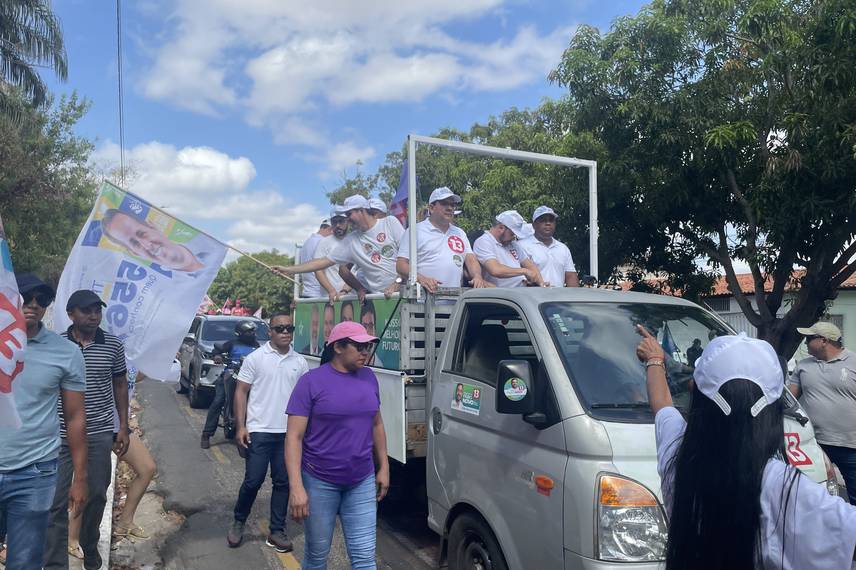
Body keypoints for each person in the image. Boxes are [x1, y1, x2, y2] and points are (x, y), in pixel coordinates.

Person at [636, 327, 856, 569]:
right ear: (773, 410)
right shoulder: (777, 483)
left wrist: (655, 359)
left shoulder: (678, 456)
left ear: (697, 395)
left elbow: (663, 406)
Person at [286, 322, 390, 569]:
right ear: (338, 347)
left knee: (364, 557)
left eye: (368, 345)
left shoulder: (369, 378)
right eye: (359, 346)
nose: (366, 351)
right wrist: (297, 488)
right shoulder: (311, 382)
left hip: (361, 480)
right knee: (317, 555)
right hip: (319, 480)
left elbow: (376, 424)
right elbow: (293, 437)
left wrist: (383, 466)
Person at [0, 274, 87, 570]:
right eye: (26, 297)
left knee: (24, 563)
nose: (33, 305)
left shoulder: (66, 353)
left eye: (42, 300)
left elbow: (75, 417)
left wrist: (80, 477)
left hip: (34, 473)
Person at [44, 289, 130, 570]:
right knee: (55, 502)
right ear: (71, 315)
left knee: (96, 496)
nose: (94, 316)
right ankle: (56, 563)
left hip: (98, 432)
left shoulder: (113, 345)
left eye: (97, 310)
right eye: (87, 311)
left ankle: (90, 549)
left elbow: (120, 385)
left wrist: (124, 427)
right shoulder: (55, 345)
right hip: (59, 434)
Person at [227, 313, 308, 552]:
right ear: (270, 332)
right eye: (279, 328)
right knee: (253, 481)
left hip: (288, 434)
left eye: (289, 328)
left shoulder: (300, 362)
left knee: (283, 482)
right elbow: (241, 392)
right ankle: (239, 521)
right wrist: (241, 426)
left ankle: (276, 530)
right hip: (259, 430)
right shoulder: (255, 358)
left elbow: (304, 399)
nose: (285, 332)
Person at [69, 367, 157, 554]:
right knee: (89, 485)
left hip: (120, 428)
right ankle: (72, 537)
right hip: (97, 426)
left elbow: (135, 378)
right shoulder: (107, 352)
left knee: (147, 468)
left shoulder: (133, 356)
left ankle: (125, 522)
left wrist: (157, 360)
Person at [274, 195, 404, 300]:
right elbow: (323, 262)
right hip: (378, 298)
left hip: (403, 294)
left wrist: (397, 283)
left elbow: (409, 256)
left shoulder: (390, 223)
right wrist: (288, 269)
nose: (347, 219)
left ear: (361, 210)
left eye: (349, 214)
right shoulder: (351, 240)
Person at [789, 321, 856, 505]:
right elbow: (789, 401)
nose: (804, 343)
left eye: (809, 339)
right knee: (811, 495)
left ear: (824, 341)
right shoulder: (803, 366)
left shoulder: (853, 363)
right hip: (813, 444)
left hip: (850, 446)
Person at [396, 187, 489, 292]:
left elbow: (470, 259)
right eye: (444, 204)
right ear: (431, 208)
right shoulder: (415, 231)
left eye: (452, 205)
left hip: (455, 301)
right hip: (424, 302)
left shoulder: (460, 233)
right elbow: (400, 264)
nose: (450, 208)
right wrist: (421, 278)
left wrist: (477, 276)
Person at [201, 320, 261, 449]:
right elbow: (217, 351)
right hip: (230, 376)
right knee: (218, 401)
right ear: (240, 333)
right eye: (249, 331)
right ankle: (206, 433)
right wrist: (217, 356)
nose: (252, 334)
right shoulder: (232, 344)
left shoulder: (256, 346)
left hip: (249, 380)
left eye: (253, 331)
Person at [100, 209, 214, 276]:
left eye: (142, 233)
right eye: (135, 243)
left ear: (152, 226)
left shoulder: (210, 246)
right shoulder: (168, 294)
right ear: (134, 253)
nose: (147, 245)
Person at [472, 210, 546, 288]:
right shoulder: (484, 242)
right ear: (501, 228)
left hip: (519, 292)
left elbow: (530, 265)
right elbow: (495, 270)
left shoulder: (513, 244)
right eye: (512, 234)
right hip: (500, 295)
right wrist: (524, 271)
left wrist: (541, 284)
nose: (514, 237)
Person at [517, 206, 579, 288]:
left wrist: (574, 298)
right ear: (534, 225)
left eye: (551, 220)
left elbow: (570, 276)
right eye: (543, 220)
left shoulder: (563, 248)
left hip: (559, 298)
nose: (548, 223)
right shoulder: (522, 246)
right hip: (532, 298)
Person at [313, 209, 352, 303]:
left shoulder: (354, 240)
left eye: (341, 221)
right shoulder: (324, 242)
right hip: (330, 298)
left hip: (352, 297)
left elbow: (359, 270)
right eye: (334, 222)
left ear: (347, 221)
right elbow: (318, 270)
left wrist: (345, 290)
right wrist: (331, 290)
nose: (338, 225)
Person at [299, 219, 332, 298]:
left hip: (307, 293)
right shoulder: (322, 242)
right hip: (319, 294)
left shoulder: (307, 242)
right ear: (330, 229)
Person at [359, 301, 384, 368]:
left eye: (370, 326)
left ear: (375, 329)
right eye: (364, 326)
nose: (367, 332)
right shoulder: (352, 363)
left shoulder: (380, 365)